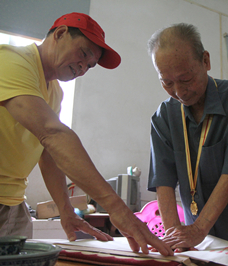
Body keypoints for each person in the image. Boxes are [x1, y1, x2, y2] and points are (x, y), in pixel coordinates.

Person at [0, 12, 173, 256]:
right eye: (83, 54)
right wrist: (116, 208)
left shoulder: (54, 93)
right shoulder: (11, 60)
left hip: (14, 204)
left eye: (90, 65)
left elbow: (49, 154)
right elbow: (53, 134)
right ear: (60, 34)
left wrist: (66, 210)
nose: (83, 67)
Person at [147, 23, 228, 249]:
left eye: (185, 79)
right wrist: (172, 238)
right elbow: (163, 183)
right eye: (166, 82)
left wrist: (198, 229)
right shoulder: (164, 117)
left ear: (205, 61)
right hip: (198, 242)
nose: (179, 91)